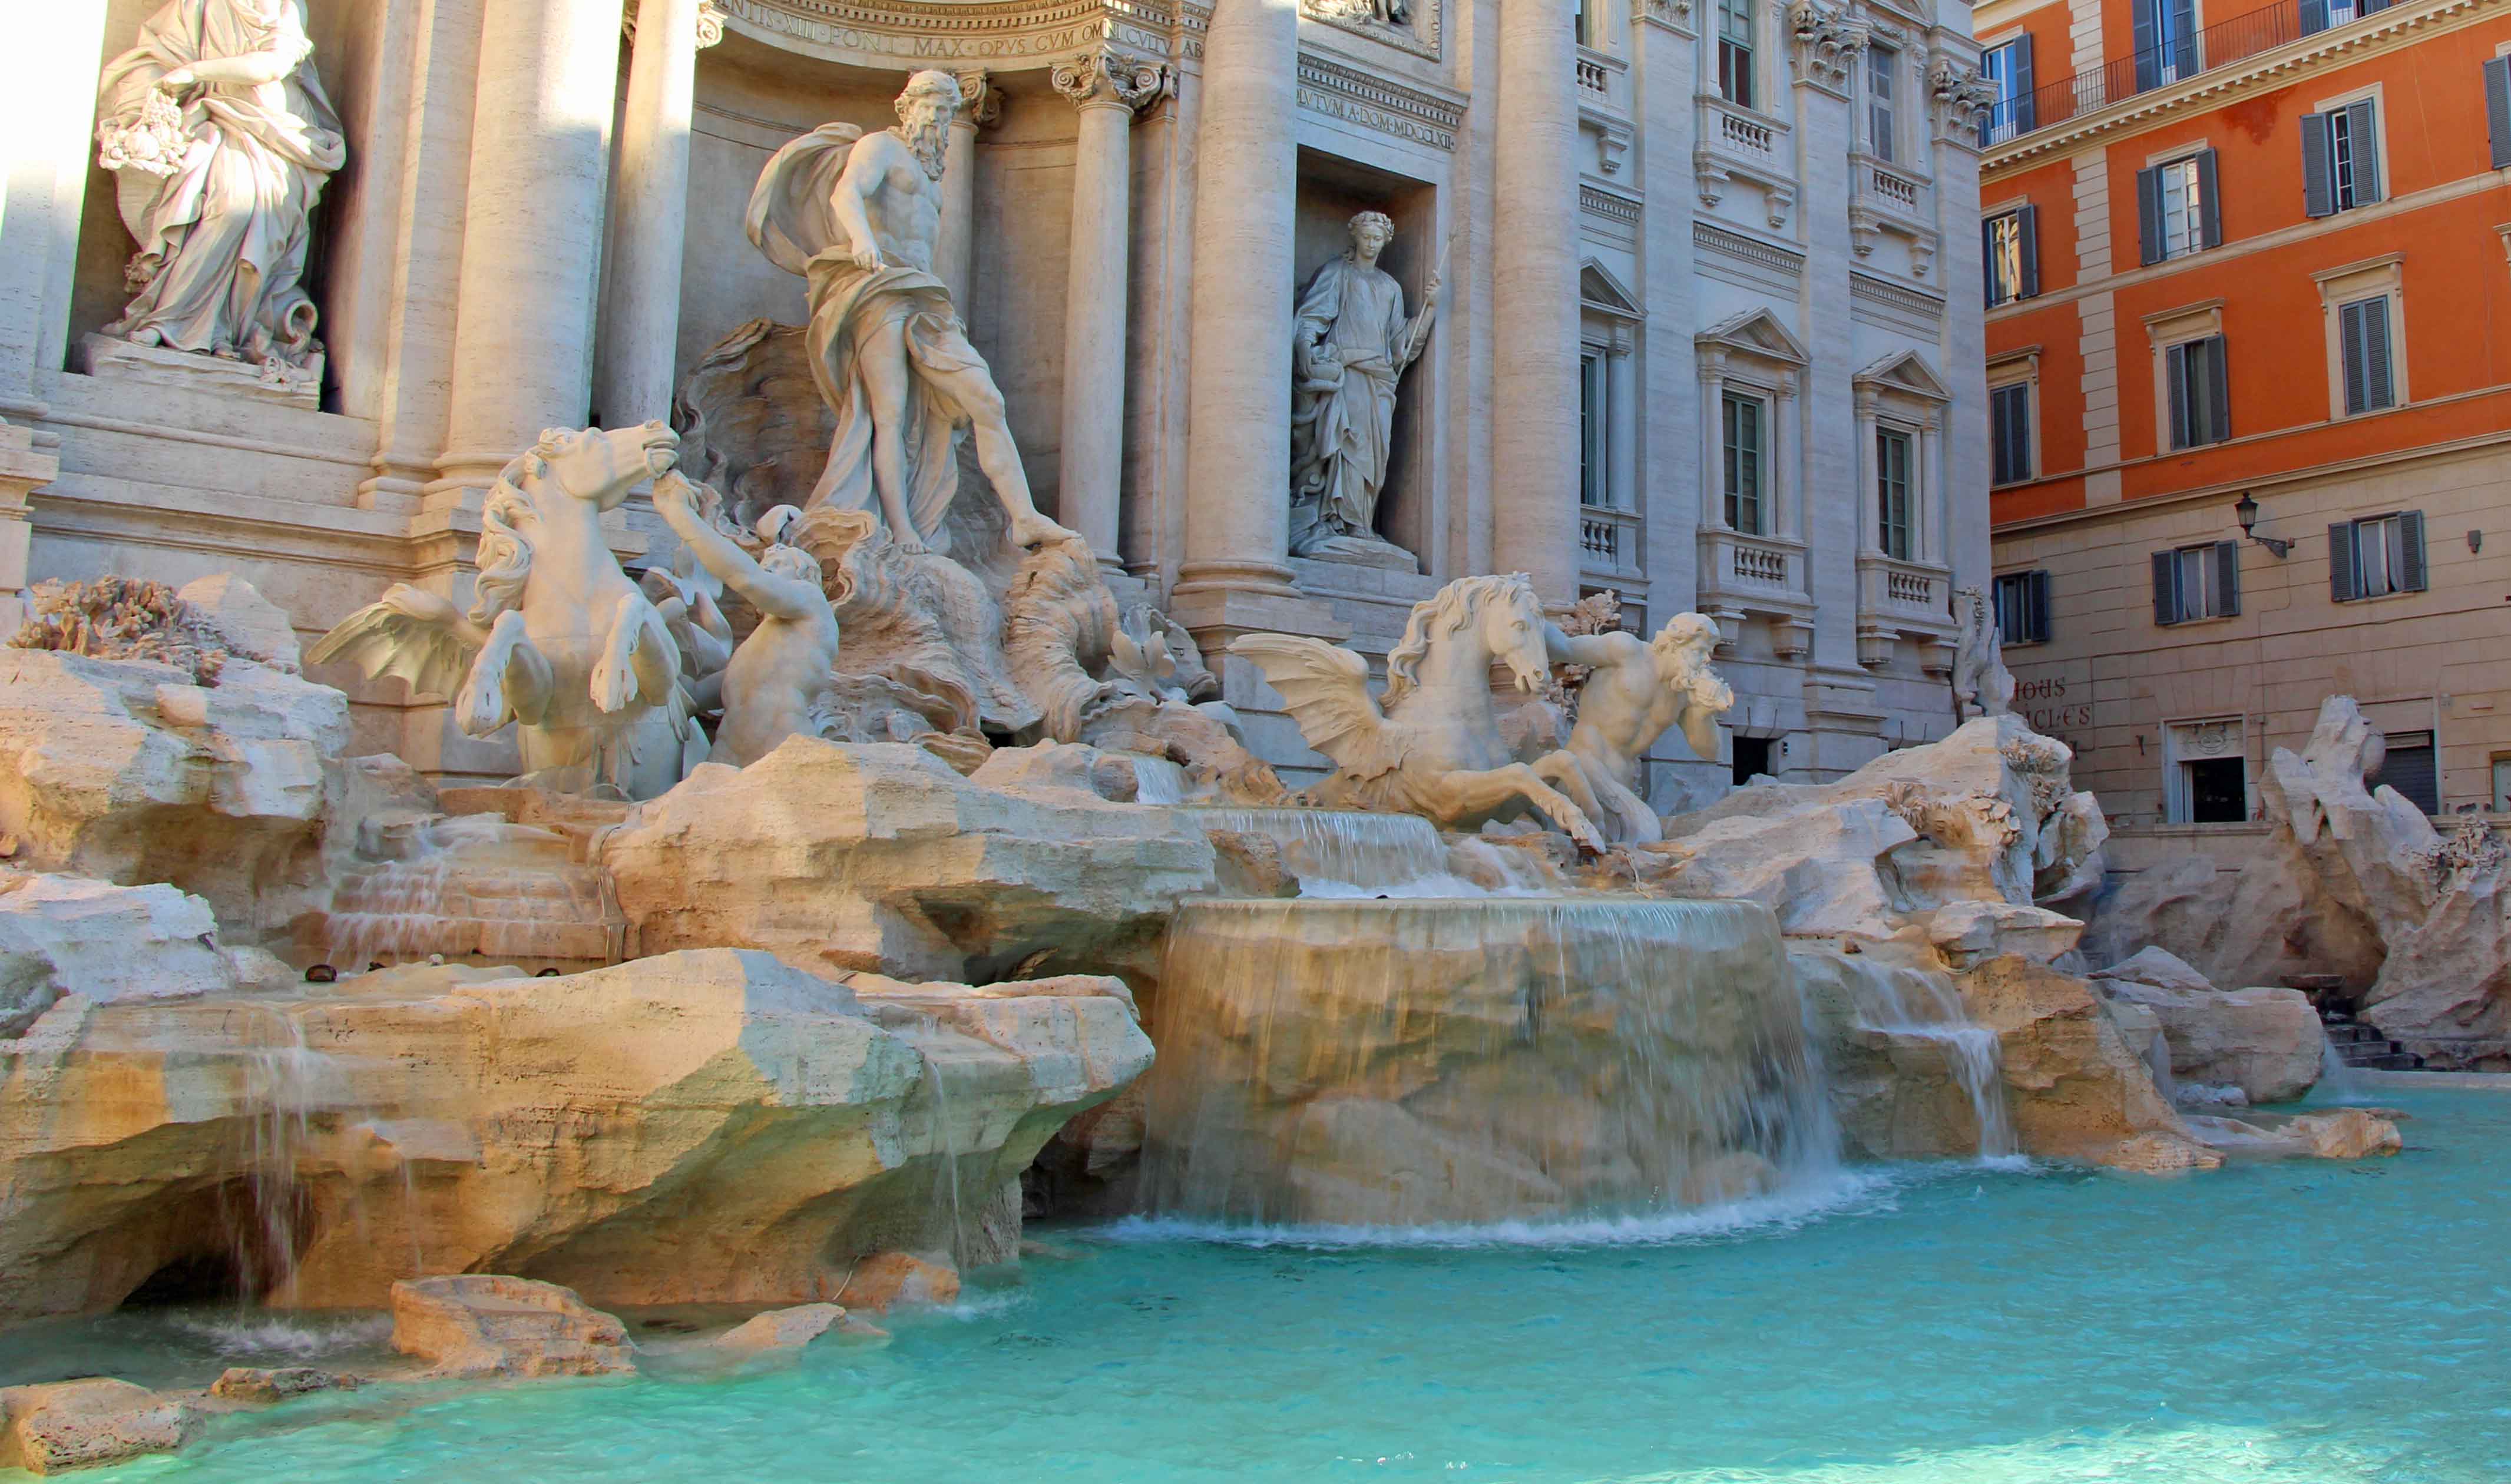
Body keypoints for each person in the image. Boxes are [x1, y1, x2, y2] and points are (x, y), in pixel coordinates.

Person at [746, 72, 1077, 556]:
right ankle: (900, 530)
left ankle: (1024, 518)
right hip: (880, 286)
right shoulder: (880, 146)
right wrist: (861, 241)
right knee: (889, 414)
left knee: (985, 399)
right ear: (907, 107)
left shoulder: (931, 177)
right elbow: (846, 194)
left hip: (925, 297)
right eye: (932, 107)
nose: (939, 119)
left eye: (946, 111)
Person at [93, 0, 345, 375]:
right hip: (215, 116)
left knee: (243, 211)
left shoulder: (285, 7)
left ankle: (225, 332)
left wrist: (194, 71)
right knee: (215, 206)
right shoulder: (196, 5)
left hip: (273, 134)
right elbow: (155, 55)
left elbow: (272, 66)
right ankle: (169, 321)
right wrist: (158, 88)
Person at [653, 471, 842, 770]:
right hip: (726, 759)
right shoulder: (762, 641)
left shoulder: (811, 602)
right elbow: (699, 695)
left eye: (778, 565)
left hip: (780, 752)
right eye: (765, 565)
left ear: (805, 575)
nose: (767, 570)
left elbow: (747, 579)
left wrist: (680, 515)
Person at [1288, 211, 1440, 561]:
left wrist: (1430, 308)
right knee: (1345, 444)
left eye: (1377, 239)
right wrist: (1305, 348)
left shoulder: (1390, 287)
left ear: (1384, 242)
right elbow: (1312, 318)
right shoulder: (1337, 274)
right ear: (1355, 238)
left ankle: (1362, 523)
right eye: (1366, 238)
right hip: (1348, 374)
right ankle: (1334, 519)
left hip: (1379, 380)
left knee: (1373, 455)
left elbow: (1402, 342)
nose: (1371, 245)